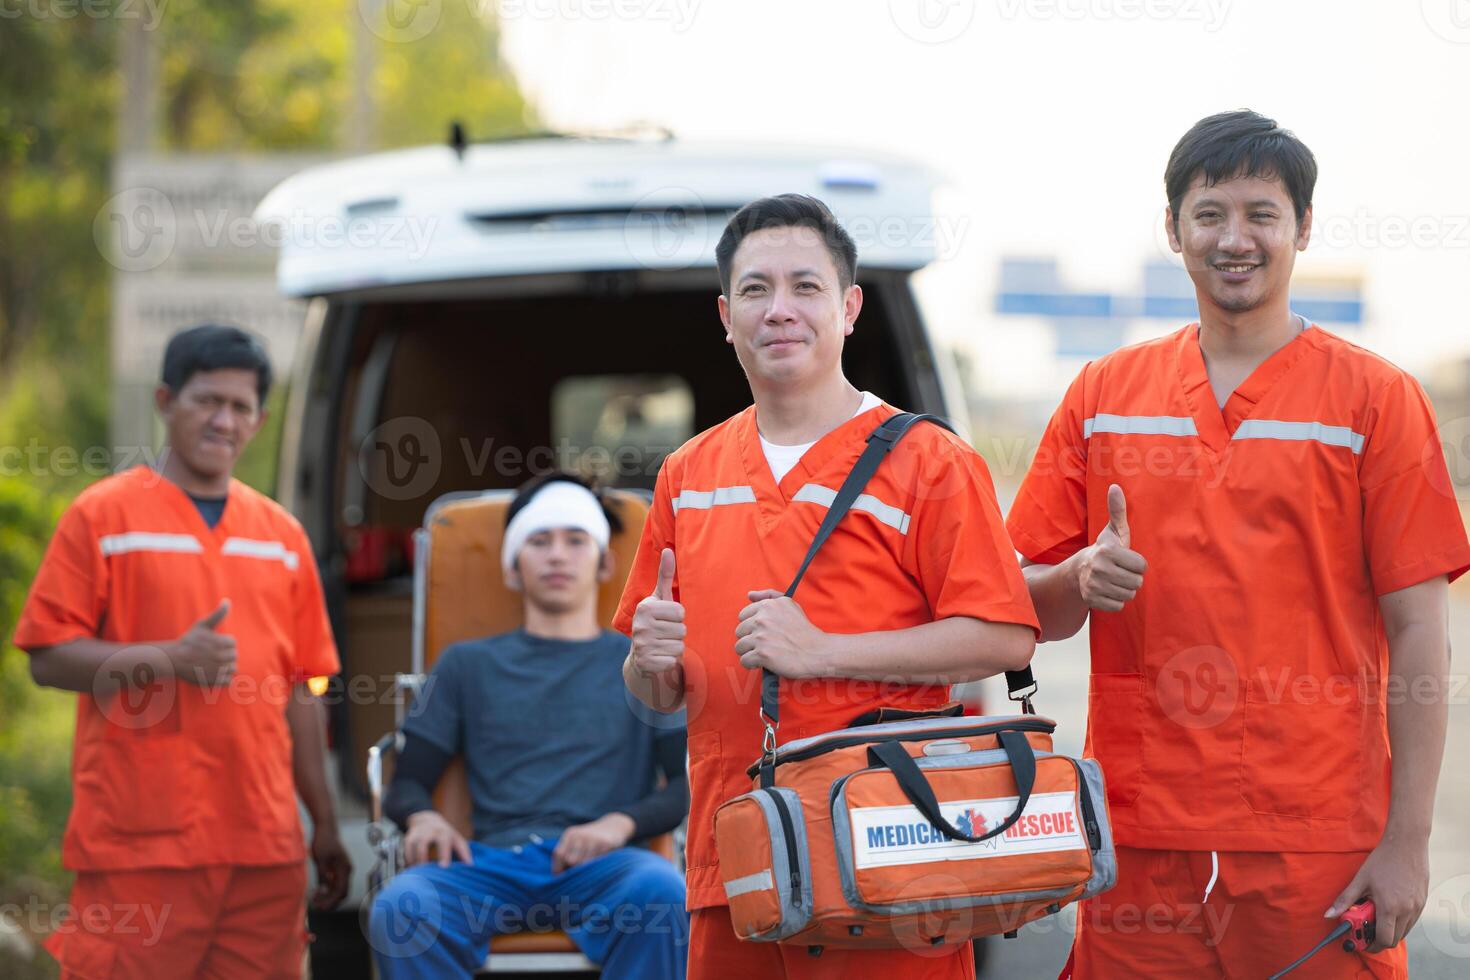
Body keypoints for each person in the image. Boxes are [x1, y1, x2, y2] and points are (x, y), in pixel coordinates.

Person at [1006, 110, 1470, 979]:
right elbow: (1018, 606)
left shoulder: (1375, 401)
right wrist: (1076, 574)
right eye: (1210, 213)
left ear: (1302, 227)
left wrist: (1407, 842)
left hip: (1318, 840)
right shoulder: (1105, 394)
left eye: (1262, 214)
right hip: (1141, 839)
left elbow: (1420, 632)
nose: (1235, 238)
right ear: (1173, 229)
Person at [615, 193, 1040, 979]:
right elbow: (656, 695)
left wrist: (825, 651)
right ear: (725, 314)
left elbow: (1006, 635)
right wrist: (648, 661)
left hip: (889, 856)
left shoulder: (931, 463)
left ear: (848, 309)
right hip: (732, 858)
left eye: (805, 287)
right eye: (755, 289)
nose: (779, 310)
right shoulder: (688, 474)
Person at [15, 323, 350, 978]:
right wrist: (167, 659)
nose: (224, 420)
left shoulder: (282, 536)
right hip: (140, 845)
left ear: (260, 419)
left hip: (263, 847)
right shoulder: (102, 516)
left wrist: (325, 825)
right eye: (208, 401)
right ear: (166, 401)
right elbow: (47, 656)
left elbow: (301, 691)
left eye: (241, 407)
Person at [370, 472, 690, 979]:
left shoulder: (640, 663)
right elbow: (406, 783)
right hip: (490, 865)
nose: (558, 555)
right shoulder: (466, 666)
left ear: (604, 560)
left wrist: (618, 825)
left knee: (664, 895)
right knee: (402, 906)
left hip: (604, 868)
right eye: (539, 541)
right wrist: (422, 818)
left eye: (575, 540)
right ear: (514, 568)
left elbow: (684, 787)